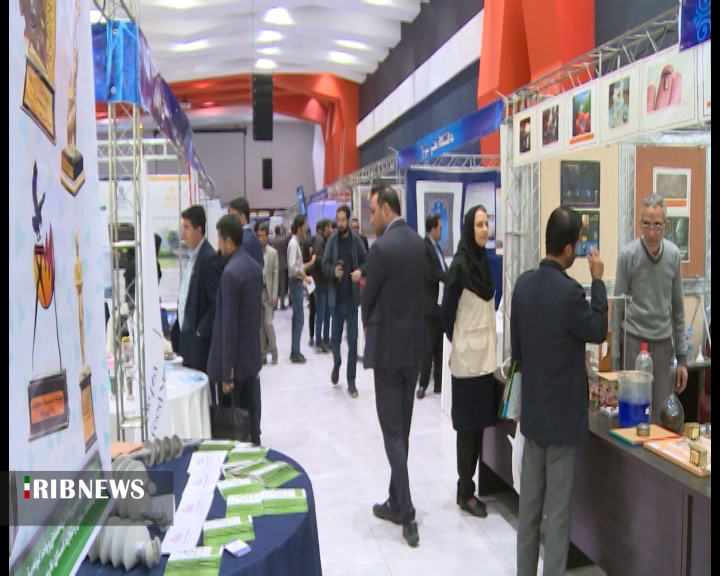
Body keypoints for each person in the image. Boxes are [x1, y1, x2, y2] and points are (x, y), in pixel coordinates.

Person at [512, 206, 608, 576]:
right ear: (568, 249)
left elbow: (517, 352)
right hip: (564, 421)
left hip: (533, 415)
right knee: (558, 514)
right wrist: (597, 281)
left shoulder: (523, 285)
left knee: (528, 510)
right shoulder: (570, 293)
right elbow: (597, 330)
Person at [362, 184, 425, 548]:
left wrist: (368, 325)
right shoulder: (419, 244)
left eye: (372, 211)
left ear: (386, 209)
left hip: (387, 352)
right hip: (413, 351)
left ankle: (407, 512)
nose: (371, 218)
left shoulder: (381, 249)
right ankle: (395, 499)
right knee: (403, 429)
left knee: (393, 433)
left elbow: (367, 298)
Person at [440, 206, 497, 518]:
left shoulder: (483, 263)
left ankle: (469, 486)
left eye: (487, 224)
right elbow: (446, 314)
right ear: (468, 228)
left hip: (485, 358)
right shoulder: (460, 266)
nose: (484, 229)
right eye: (479, 224)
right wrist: (459, 342)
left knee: (478, 426)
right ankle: (465, 491)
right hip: (467, 358)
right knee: (467, 429)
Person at [612, 194, 688, 422]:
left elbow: (678, 309)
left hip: (663, 343)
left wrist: (682, 359)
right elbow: (617, 309)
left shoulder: (673, 255)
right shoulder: (628, 256)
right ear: (640, 224)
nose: (652, 232)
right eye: (646, 224)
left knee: (661, 416)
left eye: (657, 225)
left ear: (666, 225)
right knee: (633, 413)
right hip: (633, 341)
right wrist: (615, 360)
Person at [207, 215, 264, 445]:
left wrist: (227, 375)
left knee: (235, 425)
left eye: (220, 240)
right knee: (250, 418)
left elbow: (229, 327)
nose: (218, 245)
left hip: (236, 366)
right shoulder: (253, 267)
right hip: (251, 359)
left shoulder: (230, 273)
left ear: (229, 241)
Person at [322, 205, 367, 397]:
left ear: (348, 220)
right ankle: (337, 362)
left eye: (342, 220)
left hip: (351, 300)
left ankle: (351, 382)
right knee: (335, 339)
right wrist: (334, 272)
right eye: (337, 220)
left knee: (353, 342)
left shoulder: (356, 241)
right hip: (336, 299)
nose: (340, 223)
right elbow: (324, 264)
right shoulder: (332, 241)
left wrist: (360, 272)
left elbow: (367, 261)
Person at [171, 205, 222, 373]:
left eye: (186, 227)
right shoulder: (193, 256)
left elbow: (216, 303)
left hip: (199, 344)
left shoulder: (209, 258)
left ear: (198, 230)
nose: (182, 232)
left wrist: (200, 332)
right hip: (187, 339)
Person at [417, 213, 447, 399]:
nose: (441, 232)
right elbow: (430, 273)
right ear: (433, 229)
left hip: (439, 304)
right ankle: (423, 384)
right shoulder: (424, 247)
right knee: (428, 347)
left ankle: (438, 383)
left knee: (439, 347)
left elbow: (442, 269)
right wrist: (446, 276)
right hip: (429, 305)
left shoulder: (437, 248)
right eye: (440, 228)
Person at [287, 214, 315, 363]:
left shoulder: (296, 243)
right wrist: (304, 277)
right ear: (299, 228)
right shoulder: (293, 244)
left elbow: (297, 266)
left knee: (297, 318)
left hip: (297, 282)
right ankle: (296, 352)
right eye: (304, 226)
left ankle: (295, 350)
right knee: (299, 318)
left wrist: (309, 264)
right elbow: (292, 267)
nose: (306, 228)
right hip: (295, 283)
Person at [257, 223, 279, 365]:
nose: (261, 239)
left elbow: (276, 274)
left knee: (268, 323)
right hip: (257, 291)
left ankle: (274, 351)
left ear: (267, 236)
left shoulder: (272, 253)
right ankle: (262, 354)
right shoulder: (255, 252)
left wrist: (274, 295)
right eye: (258, 236)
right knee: (260, 326)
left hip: (268, 291)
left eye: (263, 236)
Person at [312, 219, 333, 353]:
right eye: (330, 227)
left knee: (326, 313)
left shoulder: (323, 239)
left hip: (325, 282)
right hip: (321, 282)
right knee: (321, 312)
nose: (331, 230)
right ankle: (319, 341)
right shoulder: (319, 240)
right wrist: (329, 265)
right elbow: (319, 260)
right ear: (325, 228)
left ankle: (325, 339)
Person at [228, 197, 264, 268]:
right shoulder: (254, 238)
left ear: (242, 217)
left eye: (233, 216)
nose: (230, 220)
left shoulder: (240, 240)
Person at [302, 225, 317, 348]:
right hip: (317, 277)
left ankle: (311, 336)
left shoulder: (304, 242)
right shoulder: (314, 241)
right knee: (319, 309)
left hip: (309, 278)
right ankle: (318, 335)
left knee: (312, 309)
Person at [271, 225, 289, 310]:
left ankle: (275, 305)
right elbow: (286, 251)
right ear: (280, 231)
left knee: (275, 285)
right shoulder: (283, 240)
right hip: (282, 264)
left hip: (274, 264)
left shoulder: (272, 240)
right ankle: (282, 304)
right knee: (282, 285)